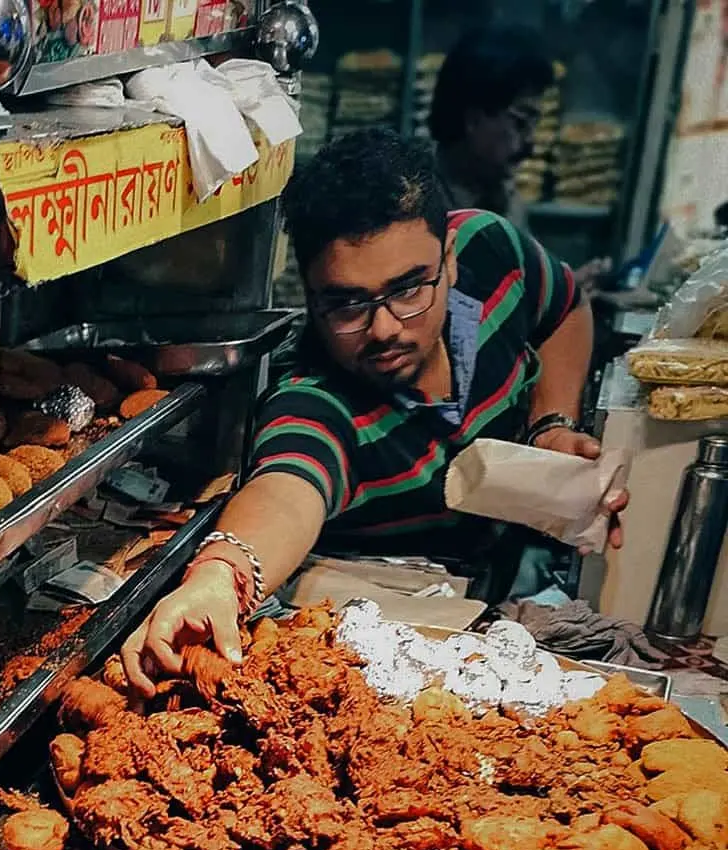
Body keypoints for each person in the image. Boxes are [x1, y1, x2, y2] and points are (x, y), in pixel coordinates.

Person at [123, 128, 626, 697]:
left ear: (450, 261)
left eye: (409, 289)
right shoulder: (315, 395)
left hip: (500, 584)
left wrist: (552, 424)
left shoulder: (493, 251)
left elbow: (564, 308)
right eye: (346, 303)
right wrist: (220, 573)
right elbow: (288, 488)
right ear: (310, 297)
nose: (384, 328)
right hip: (386, 624)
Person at [428, 24, 553, 229]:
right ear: (474, 119)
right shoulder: (409, 205)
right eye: (520, 122)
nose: (531, 140)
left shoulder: (507, 202)